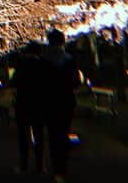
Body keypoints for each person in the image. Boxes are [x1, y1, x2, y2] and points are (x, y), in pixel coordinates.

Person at [42, 29, 79, 183]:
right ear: (62, 41)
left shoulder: (43, 61)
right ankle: (61, 169)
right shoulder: (69, 60)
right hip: (66, 101)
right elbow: (76, 82)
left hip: (50, 102)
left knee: (52, 135)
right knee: (64, 133)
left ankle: (56, 167)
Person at [11, 41, 46, 174]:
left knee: (23, 137)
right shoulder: (43, 65)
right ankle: (40, 165)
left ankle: (24, 165)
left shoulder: (22, 65)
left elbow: (14, 82)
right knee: (39, 135)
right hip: (39, 105)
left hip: (23, 104)